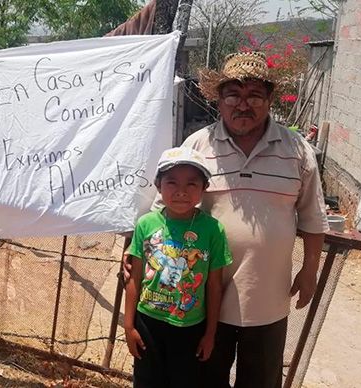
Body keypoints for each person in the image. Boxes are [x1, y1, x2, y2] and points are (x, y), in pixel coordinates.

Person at [124, 51, 329, 387]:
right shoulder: (197, 146)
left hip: (267, 299)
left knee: (261, 382)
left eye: (254, 96)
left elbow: (313, 216)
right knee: (205, 382)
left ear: (270, 99)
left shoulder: (296, 150)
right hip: (203, 305)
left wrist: (310, 271)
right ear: (219, 99)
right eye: (233, 94)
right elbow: (162, 212)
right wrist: (133, 257)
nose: (243, 104)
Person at [124, 146, 233, 388]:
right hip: (147, 322)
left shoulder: (213, 230)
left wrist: (210, 333)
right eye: (172, 182)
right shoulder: (145, 224)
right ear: (158, 185)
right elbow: (134, 278)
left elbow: (214, 286)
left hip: (190, 328)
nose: (181, 192)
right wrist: (129, 325)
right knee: (147, 382)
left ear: (204, 189)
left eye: (191, 184)